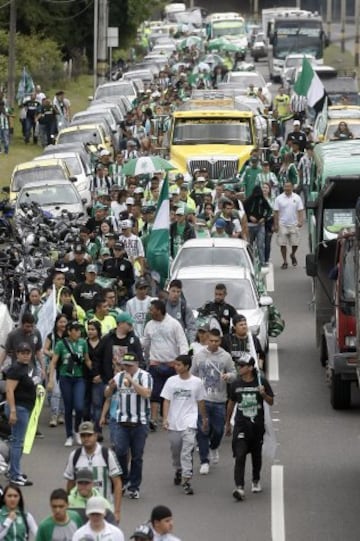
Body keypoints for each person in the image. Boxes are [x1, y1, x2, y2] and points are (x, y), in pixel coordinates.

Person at [225, 354, 274, 501]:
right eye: (238, 365)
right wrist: (227, 423)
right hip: (241, 426)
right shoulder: (235, 384)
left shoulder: (261, 381)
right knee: (239, 455)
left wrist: (263, 394)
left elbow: (271, 401)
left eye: (242, 365)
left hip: (257, 426)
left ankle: (256, 480)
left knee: (256, 455)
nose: (239, 368)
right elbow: (231, 403)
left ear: (250, 368)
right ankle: (239, 487)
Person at [105, 352, 152, 500]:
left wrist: (132, 381)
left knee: (137, 456)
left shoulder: (145, 376)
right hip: (122, 421)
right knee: (120, 452)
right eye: (125, 365)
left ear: (137, 364)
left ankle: (134, 486)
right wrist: (110, 387)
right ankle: (123, 481)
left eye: (130, 366)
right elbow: (107, 395)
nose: (127, 368)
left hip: (139, 422)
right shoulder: (119, 377)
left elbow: (146, 394)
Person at [191, 329, 236, 475]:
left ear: (220, 341)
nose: (214, 343)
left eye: (217, 341)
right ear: (207, 340)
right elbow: (192, 373)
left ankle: (214, 447)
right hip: (202, 400)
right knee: (202, 430)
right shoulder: (199, 355)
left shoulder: (226, 357)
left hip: (219, 399)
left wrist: (228, 376)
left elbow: (235, 374)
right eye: (211, 341)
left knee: (218, 430)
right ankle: (204, 460)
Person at [161, 355, 207, 495]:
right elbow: (166, 400)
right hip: (174, 421)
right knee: (176, 449)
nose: (176, 367)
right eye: (175, 364)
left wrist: (204, 418)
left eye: (179, 365)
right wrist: (165, 418)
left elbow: (200, 401)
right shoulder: (171, 381)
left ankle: (186, 480)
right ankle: (178, 469)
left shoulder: (197, 382)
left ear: (187, 366)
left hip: (189, 421)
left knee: (187, 450)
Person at [63, 421, 123, 523]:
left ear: (95, 435)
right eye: (83, 435)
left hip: (105, 510)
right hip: (80, 510)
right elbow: (70, 483)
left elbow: (117, 483)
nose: (86, 438)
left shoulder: (107, 454)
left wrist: (117, 512)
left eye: (89, 435)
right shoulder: (74, 455)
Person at [142, 299, 188, 431]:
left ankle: (171, 419)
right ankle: (153, 420)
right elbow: (146, 343)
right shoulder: (149, 325)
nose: (150, 312)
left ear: (159, 310)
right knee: (154, 393)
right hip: (155, 363)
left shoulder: (174, 324)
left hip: (172, 365)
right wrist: (145, 356)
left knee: (172, 394)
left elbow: (182, 342)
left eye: (152, 309)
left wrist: (182, 359)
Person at [48, 321, 92, 447]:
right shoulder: (61, 345)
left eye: (79, 330)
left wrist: (95, 372)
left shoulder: (83, 343)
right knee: (68, 407)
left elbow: (87, 360)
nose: (78, 333)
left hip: (79, 378)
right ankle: (69, 435)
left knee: (79, 407)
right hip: (65, 378)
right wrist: (51, 379)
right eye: (76, 330)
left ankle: (77, 431)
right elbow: (54, 362)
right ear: (69, 331)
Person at [5, 342, 37, 486]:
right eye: (22, 353)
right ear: (17, 354)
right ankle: (15, 474)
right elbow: (9, 390)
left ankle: (13, 470)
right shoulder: (16, 369)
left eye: (28, 352)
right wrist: (13, 411)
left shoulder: (24, 368)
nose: (25, 355)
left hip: (23, 407)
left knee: (16, 441)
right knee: (17, 442)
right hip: (18, 408)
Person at [0, 313, 45, 381]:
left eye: (32, 326)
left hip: (32, 369)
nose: (30, 328)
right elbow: (5, 352)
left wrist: (43, 368)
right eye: (27, 326)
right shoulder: (13, 335)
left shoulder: (36, 333)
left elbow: (38, 351)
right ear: (22, 324)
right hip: (17, 369)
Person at [273, 180, 304, 269]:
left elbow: (300, 210)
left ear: (292, 187)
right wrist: (275, 225)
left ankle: (292, 254)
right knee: (283, 244)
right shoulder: (279, 198)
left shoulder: (297, 198)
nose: (287, 189)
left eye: (289, 187)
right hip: (282, 224)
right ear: (283, 188)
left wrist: (300, 221)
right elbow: (276, 212)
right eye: (285, 187)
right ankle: (285, 261)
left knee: (295, 243)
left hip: (294, 224)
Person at [43, 314, 67, 427]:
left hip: (66, 367)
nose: (63, 324)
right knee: (56, 392)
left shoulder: (70, 335)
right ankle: (54, 415)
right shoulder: (51, 336)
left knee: (64, 393)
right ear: (56, 323)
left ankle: (62, 414)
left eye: (64, 322)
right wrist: (51, 353)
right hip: (54, 366)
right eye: (61, 322)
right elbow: (44, 350)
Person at [243, 185, 272, 267]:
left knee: (260, 245)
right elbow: (243, 211)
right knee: (249, 245)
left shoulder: (262, 200)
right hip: (250, 225)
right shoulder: (248, 201)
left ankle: (262, 262)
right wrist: (249, 217)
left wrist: (264, 218)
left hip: (260, 226)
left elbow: (269, 210)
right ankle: (250, 262)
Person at [164, 279, 196, 344]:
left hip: (179, 343)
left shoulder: (184, 307)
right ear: (169, 290)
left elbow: (191, 327)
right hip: (164, 342)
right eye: (173, 291)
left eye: (178, 292)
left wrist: (192, 344)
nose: (175, 294)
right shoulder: (162, 305)